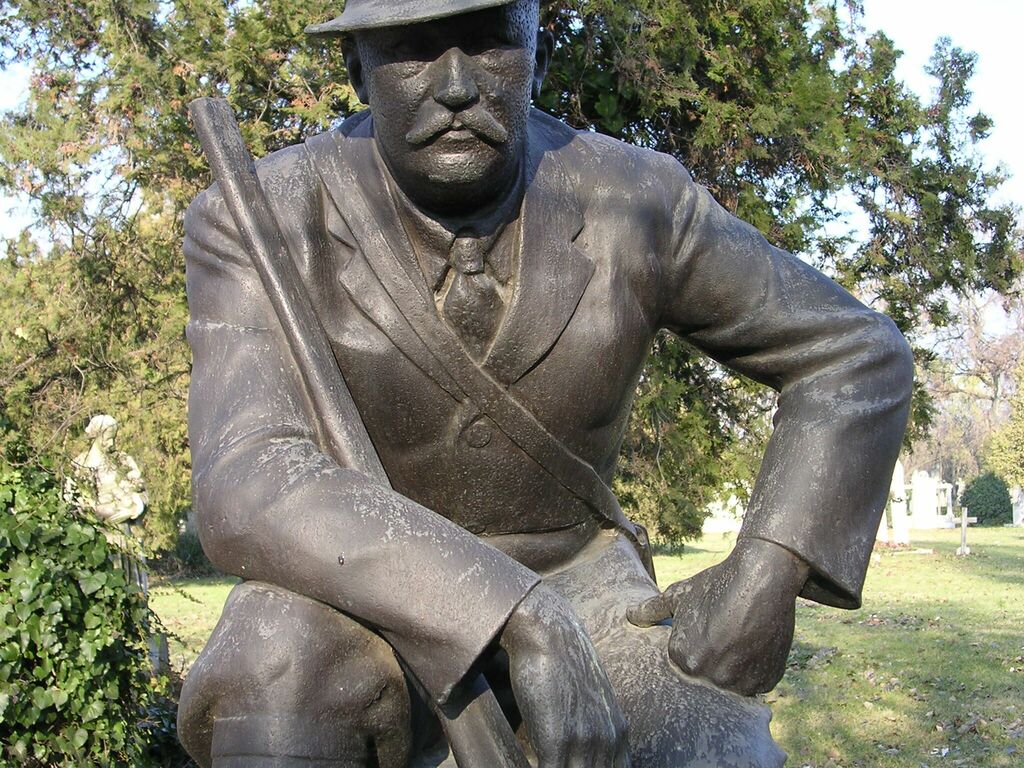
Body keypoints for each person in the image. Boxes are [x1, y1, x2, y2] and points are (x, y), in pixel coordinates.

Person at [177, 1, 914, 766]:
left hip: (582, 586)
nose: (456, 86)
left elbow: (852, 352)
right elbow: (248, 477)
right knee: (275, 661)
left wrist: (770, 566)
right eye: (413, 49)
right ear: (358, 70)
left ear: (539, 56)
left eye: (492, 43)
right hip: (356, 598)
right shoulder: (262, 215)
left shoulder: (636, 200)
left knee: (713, 743)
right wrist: (510, 609)